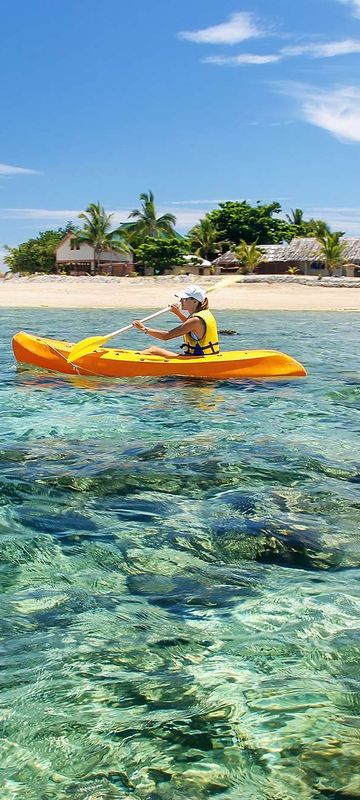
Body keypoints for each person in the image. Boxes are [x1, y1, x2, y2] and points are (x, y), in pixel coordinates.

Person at [132, 284, 220, 359]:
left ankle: (130, 361)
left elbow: (166, 336)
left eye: (184, 299)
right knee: (153, 349)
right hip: (207, 356)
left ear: (194, 301)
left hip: (197, 359)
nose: (180, 301)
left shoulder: (195, 320)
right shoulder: (204, 313)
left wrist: (144, 328)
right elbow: (191, 327)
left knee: (153, 350)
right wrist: (177, 313)